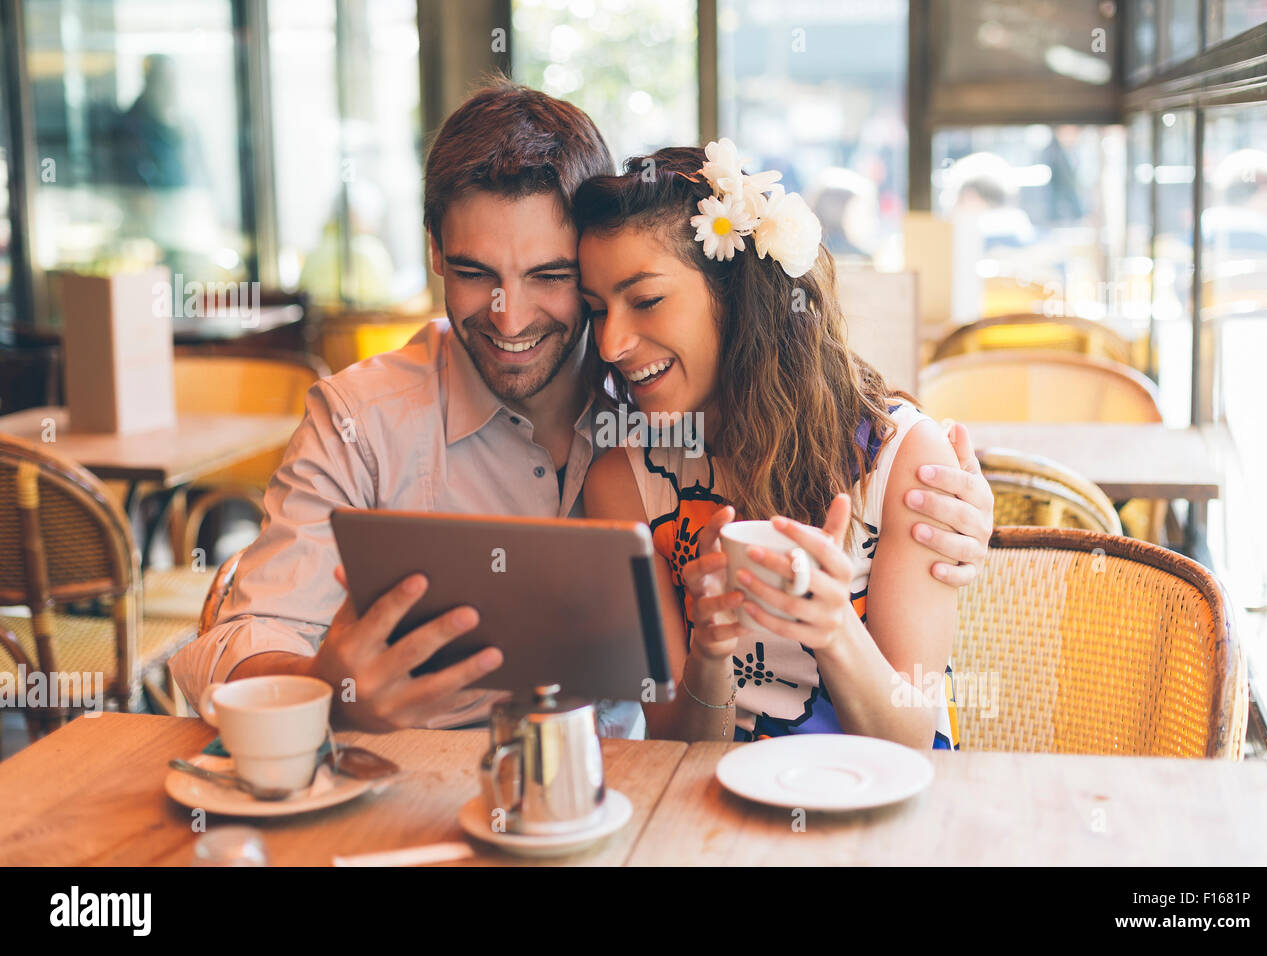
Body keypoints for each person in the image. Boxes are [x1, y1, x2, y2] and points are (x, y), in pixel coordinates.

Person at [168, 80, 994, 736]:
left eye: (551, 278)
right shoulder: (367, 418)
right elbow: (249, 633)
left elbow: (838, 428)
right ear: (434, 259)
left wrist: (970, 501)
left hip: (643, 800)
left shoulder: (664, 400)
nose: (509, 313)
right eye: (474, 272)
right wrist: (333, 691)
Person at [577, 143, 984, 747]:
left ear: (738, 295)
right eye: (595, 310)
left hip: (881, 806)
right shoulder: (624, 482)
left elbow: (912, 738)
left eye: (646, 300)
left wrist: (834, 628)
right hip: (718, 809)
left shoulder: (901, 458)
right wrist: (709, 655)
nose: (610, 344)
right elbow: (674, 748)